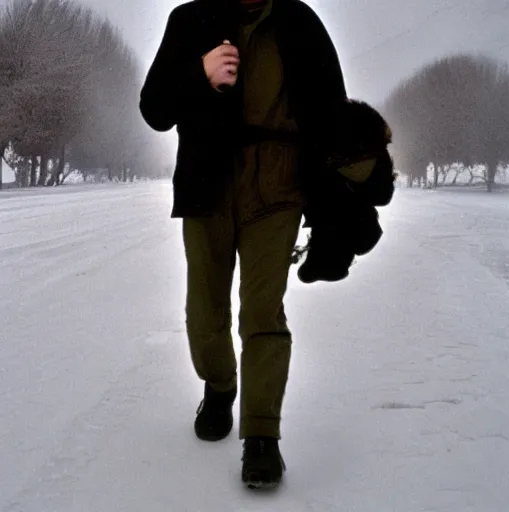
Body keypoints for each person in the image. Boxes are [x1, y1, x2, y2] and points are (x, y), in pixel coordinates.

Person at [139, 0, 347, 489]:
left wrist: (333, 212)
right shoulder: (190, 19)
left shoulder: (299, 23)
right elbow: (154, 110)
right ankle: (219, 384)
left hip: (278, 193)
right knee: (205, 315)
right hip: (207, 188)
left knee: (262, 312)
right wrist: (199, 73)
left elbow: (330, 116)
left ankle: (261, 437)